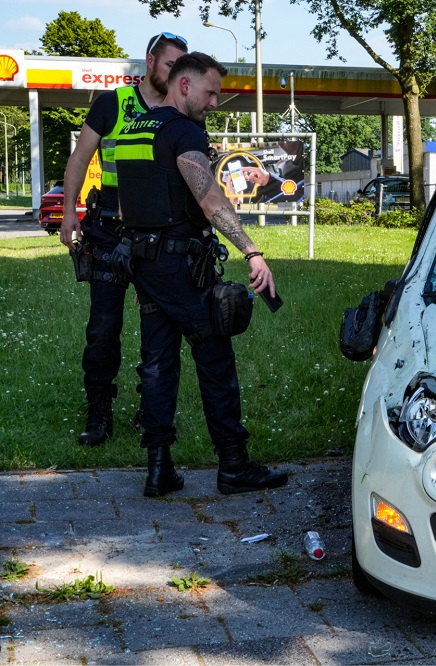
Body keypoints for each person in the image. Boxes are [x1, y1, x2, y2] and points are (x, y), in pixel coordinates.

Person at [114, 52, 287, 497]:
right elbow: (210, 199)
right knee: (214, 361)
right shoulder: (182, 131)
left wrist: (145, 270)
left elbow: (125, 205)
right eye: (210, 92)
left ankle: (159, 470)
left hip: (145, 264)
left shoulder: (134, 129)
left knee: (156, 365)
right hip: (181, 267)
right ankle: (234, 465)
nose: (215, 102)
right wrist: (251, 250)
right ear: (185, 86)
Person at [60, 32, 190, 446]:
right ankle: (99, 412)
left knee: (160, 330)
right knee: (103, 327)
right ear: (150, 61)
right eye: (170, 65)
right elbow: (80, 158)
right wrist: (68, 214)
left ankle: (149, 410)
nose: (174, 75)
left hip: (158, 234)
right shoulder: (113, 103)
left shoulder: (179, 111)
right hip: (107, 229)